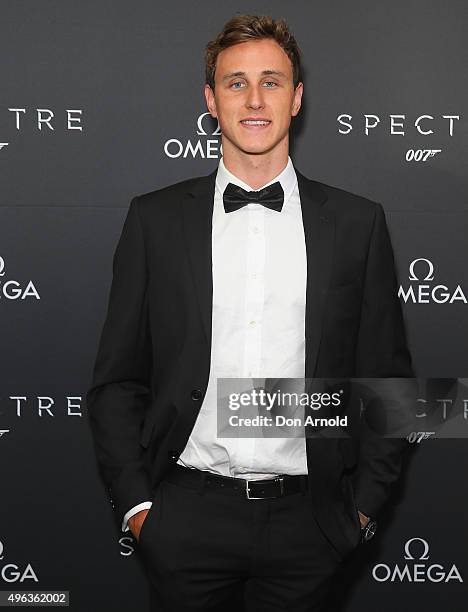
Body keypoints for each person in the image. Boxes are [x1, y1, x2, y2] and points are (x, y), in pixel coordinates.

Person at [86, 14, 413, 612]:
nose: (255, 99)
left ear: (297, 98)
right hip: (184, 514)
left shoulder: (358, 223)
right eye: (236, 83)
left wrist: (360, 509)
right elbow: (116, 379)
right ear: (211, 100)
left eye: (272, 81)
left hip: (312, 524)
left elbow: (390, 384)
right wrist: (139, 509)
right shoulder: (154, 220)